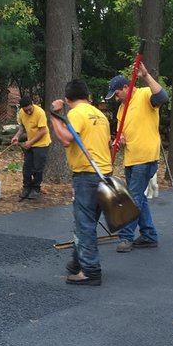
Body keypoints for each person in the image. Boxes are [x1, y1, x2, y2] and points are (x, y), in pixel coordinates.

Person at [49, 79, 111, 286]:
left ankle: (90, 271)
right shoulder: (100, 115)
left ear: (67, 99)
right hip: (104, 173)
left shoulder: (76, 114)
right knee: (88, 221)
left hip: (86, 175)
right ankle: (77, 262)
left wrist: (54, 116)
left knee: (84, 224)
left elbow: (67, 139)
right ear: (87, 96)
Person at [104, 62, 168, 252]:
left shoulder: (144, 95)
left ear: (126, 87)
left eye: (117, 94)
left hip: (146, 157)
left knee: (133, 198)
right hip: (131, 158)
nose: (116, 99)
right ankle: (149, 235)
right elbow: (121, 133)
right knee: (139, 198)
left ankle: (126, 237)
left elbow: (162, 97)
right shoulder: (121, 109)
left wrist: (146, 76)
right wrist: (120, 139)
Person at [10, 96, 51, 201]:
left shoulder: (40, 113)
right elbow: (22, 127)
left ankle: (35, 189)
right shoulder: (21, 113)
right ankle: (26, 187)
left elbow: (43, 131)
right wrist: (16, 136)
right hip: (30, 143)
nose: (28, 112)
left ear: (32, 104)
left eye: (29, 109)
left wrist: (30, 142)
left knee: (38, 167)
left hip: (42, 143)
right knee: (27, 167)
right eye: (25, 110)